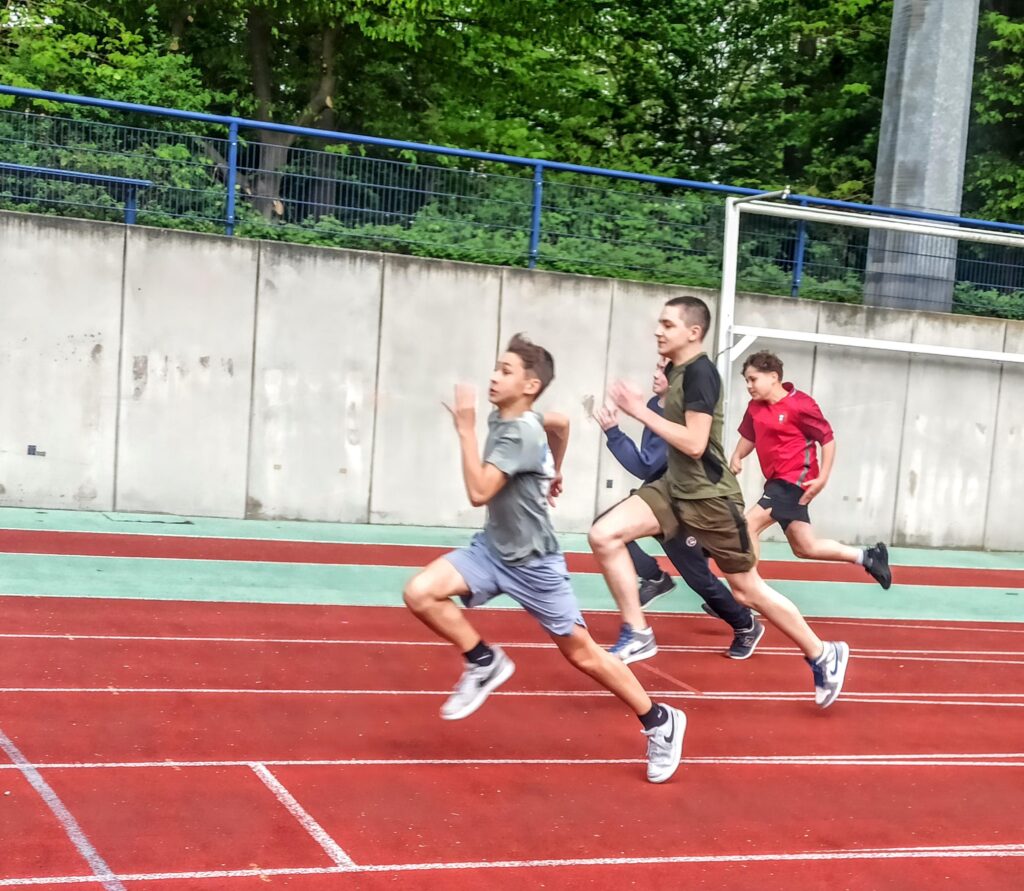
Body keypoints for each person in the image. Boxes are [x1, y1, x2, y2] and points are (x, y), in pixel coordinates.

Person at [402, 333, 685, 782]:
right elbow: (562, 424)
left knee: (584, 656)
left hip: (535, 565)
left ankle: (659, 720)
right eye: (496, 368)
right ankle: (483, 660)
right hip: (492, 550)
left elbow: (478, 492)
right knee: (420, 593)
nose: (494, 377)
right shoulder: (520, 415)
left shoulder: (519, 432)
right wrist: (555, 468)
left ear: (530, 385)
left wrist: (465, 428)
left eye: (506, 371)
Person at [588, 297, 849, 709]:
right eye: (659, 323)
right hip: (673, 489)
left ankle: (822, 653)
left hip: (710, 498)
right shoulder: (676, 372)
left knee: (746, 590)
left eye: (668, 324)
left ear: (694, 332)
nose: (658, 330)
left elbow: (695, 443)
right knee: (603, 533)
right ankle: (637, 631)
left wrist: (639, 411)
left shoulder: (701, 373)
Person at [595, 356, 764, 660]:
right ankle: (655, 578)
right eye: (656, 367)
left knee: (699, 577)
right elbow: (649, 466)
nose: (655, 374)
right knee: (606, 528)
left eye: (663, 369)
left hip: (685, 501)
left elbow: (646, 464)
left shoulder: (676, 414)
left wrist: (614, 433)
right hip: (660, 496)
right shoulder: (654, 405)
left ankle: (745, 623)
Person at [730, 350, 891, 588]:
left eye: (753, 379)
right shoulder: (755, 407)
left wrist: (823, 478)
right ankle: (867, 557)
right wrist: (737, 455)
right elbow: (749, 436)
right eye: (746, 381)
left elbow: (827, 439)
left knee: (747, 526)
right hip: (776, 482)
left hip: (795, 481)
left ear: (773, 377)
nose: (749, 386)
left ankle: (748, 591)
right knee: (804, 547)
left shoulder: (800, 405)